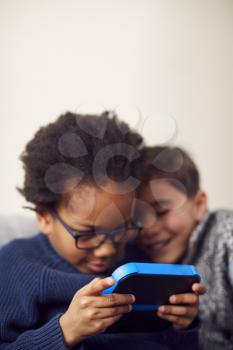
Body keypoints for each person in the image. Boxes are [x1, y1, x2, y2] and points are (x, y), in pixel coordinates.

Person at [0, 113, 202, 350]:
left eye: (120, 229)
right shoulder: (16, 265)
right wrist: (64, 331)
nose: (107, 249)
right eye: (86, 234)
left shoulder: (137, 263)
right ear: (44, 218)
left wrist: (183, 325)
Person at [136, 145, 233, 350]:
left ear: (199, 205)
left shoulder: (227, 236)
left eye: (161, 212)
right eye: (137, 219)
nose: (148, 229)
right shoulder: (138, 257)